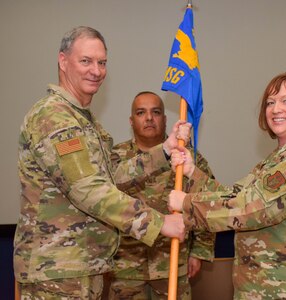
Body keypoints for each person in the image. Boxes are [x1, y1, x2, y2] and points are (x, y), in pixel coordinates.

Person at [13, 26, 191, 299]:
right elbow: (88, 189)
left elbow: (111, 175)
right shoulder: (54, 116)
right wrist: (157, 223)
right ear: (63, 61)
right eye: (85, 61)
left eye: (102, 62)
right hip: (57, 272)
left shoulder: (85, 120)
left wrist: (164, 151)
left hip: (83, 268)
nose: (96, 70)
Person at [168, 72, 286, 299]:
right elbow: (235, 196)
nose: (276, 109)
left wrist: (187, 204)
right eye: (270, 102)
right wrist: (191, 172)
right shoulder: (274, 162)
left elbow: (251, 209)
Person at [108, 91, 216, 299]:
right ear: (131, 121)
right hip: (125, 266)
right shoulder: (115, 158)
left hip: (173, 262)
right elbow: (102, 204)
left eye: (155, 112)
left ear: (165, 120)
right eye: (141, 112)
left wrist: (199, 251)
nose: (149, 118)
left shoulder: (186, 157)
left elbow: (206, 202)